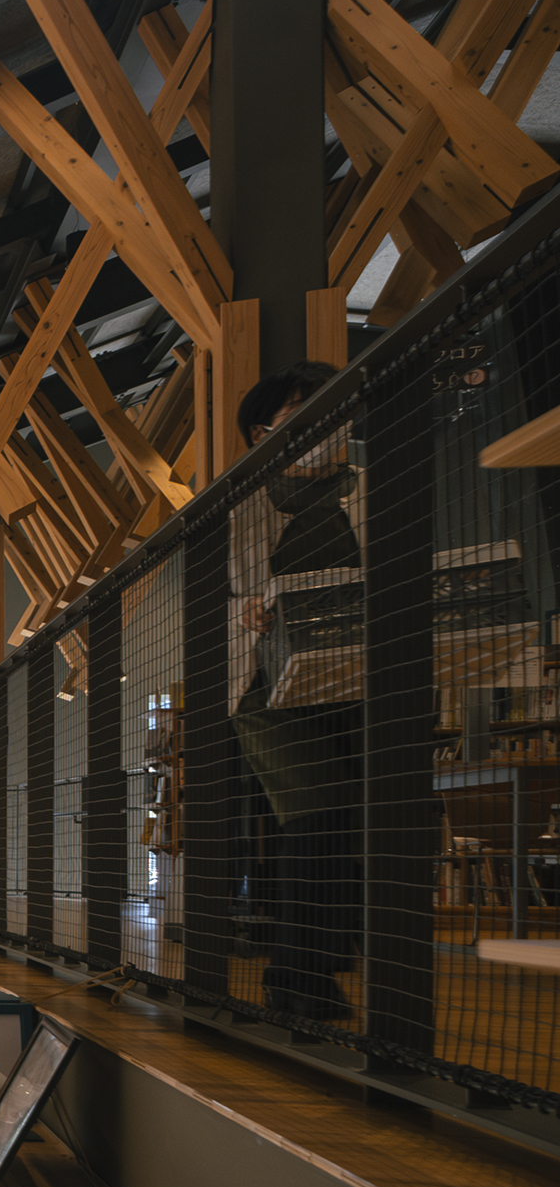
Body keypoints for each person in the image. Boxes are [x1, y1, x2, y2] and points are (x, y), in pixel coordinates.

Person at [227, 362, 363, 1022]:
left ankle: (320, 965)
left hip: (356, 679)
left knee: (368, 817)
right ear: (263, 433)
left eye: (337, 412)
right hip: (266, 688)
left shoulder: (366, 489)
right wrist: (243, 613)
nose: (328, 428)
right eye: (309, 416)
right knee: (317, 811)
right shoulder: (241, 506)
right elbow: (212, 605)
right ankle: (294, 975)